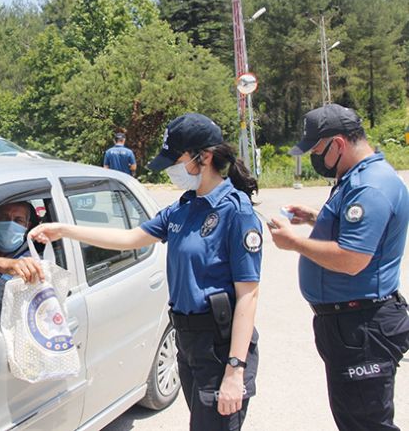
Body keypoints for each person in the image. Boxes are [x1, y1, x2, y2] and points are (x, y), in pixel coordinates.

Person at [31, 113, 262, 430]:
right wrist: (65, 230)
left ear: (204, 157)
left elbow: (248, 295)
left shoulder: (236, 211)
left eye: (175, 159)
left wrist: (235, 370)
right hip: (188, 340)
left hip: (221, 349)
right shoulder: (183, 208)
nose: (171, 170)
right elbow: (130, 238)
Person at [269, 103, 409, 431]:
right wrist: (317, 218)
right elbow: (361, 233)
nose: (316, 158)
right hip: (350, 323)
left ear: (339, 144)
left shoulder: (369, 186)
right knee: (355, 418)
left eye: (318, 150)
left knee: (366, 423)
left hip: (361, 326)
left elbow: (352, 259)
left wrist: (293, 242)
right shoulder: (358, 179)